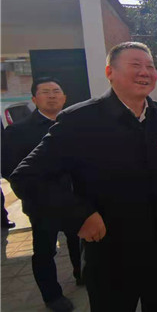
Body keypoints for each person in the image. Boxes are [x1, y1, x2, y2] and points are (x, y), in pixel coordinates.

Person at [10, 42, 157, 312]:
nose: (145, 72)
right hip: (110, 254)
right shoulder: (80, 120)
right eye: (136, 65)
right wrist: (79, 215)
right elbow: (27, 177)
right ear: (110, 72)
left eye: (150, 66)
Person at [1, 77, 82, 311]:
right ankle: (52, 296)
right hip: (42, 203)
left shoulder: (75, 125)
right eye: (45, 92)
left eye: (56, 91)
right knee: (45, 250)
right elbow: (10, 168)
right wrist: (36, 193)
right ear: (34, 99)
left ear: (65, 97)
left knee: (78, 240)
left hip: (75, 198)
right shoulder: (18, 131)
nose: (52, 96)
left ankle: (82, 274)